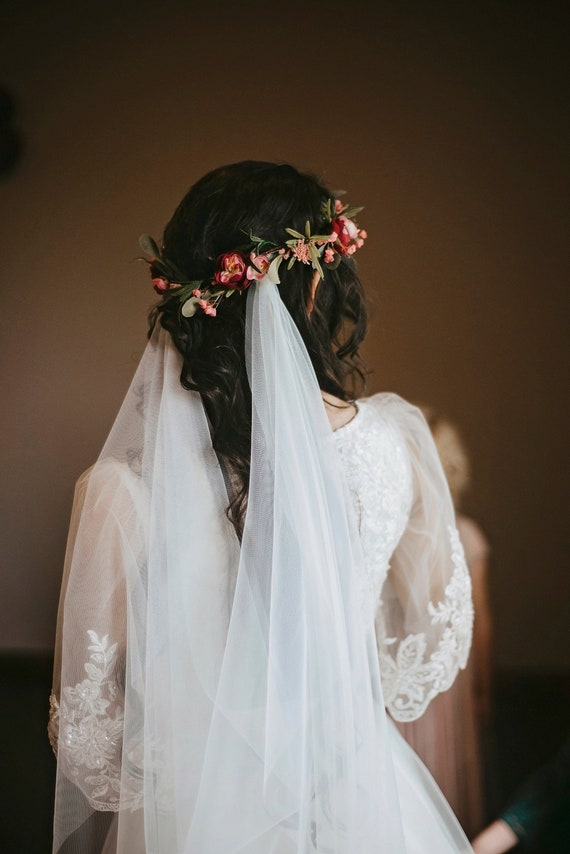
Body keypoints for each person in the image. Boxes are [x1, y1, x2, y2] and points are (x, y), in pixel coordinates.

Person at [49, 161, 475, 853]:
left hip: (199, 819)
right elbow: (422, 641)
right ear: (319, 287)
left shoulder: (118, 493)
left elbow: (95, 746)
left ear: (187, 293)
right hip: (363, 802)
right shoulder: (397, 443)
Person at [395, 411, 492, 838]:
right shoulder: (456, 534)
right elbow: (481, 618)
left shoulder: (461, 536)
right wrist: (481, 688)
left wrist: (481, 687)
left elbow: (481, 620)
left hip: (429, 683)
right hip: (418, 681)